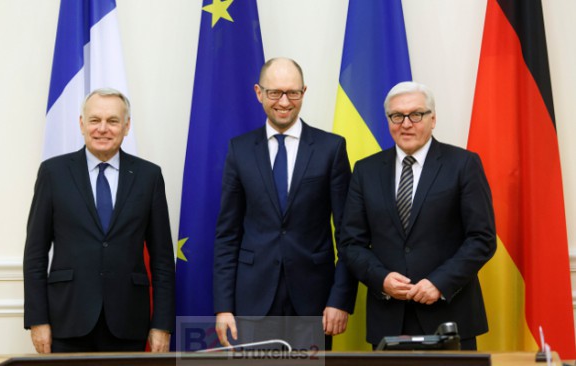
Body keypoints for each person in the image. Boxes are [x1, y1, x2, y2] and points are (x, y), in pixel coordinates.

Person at [338, 81, 496, 350]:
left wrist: (439, 282)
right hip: (388, 320)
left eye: (416, 114)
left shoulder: (464, 165)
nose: (406, 123)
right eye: (397, 116)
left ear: (432, 119)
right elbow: (351, 243)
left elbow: (482, 239)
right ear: (388, 120)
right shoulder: (366, 171)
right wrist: (382, 279)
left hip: (450, 316)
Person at [213, 57, 357, 350]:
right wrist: (224, 307)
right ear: (258, 92)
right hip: (252, 301)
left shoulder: (331, 149)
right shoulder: (239, 150)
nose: (284, 101)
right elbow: (227, 234)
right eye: (274, 92)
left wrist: (340, 299)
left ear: (303, 92)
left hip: (313, 302)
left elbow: (349, 235)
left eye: (292, 92)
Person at [23, 88, 175, 353]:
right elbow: (35, 254)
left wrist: (161, 324)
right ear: (82, 124)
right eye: (95, 120)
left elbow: (162, 259)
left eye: (113, 121)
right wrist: (38, 320)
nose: (102, 128)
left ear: (126, 127)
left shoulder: (148, 176)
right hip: (67, 319)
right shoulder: (53, 173)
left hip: (128, 321)